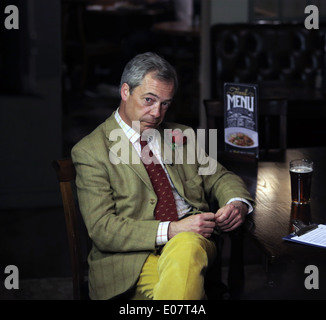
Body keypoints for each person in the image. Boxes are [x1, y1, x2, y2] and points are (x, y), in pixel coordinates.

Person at [71, 52, 254, 300]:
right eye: (149, 100)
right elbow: (103, 229)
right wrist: (172, 229)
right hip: (131, 259)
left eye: (165, 103)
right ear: (125, 91)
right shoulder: (91, 151)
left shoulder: (182, 135)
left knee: (187, 245)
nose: (157, 113)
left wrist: (237, 203)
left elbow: (220, 177)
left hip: (196, 241)